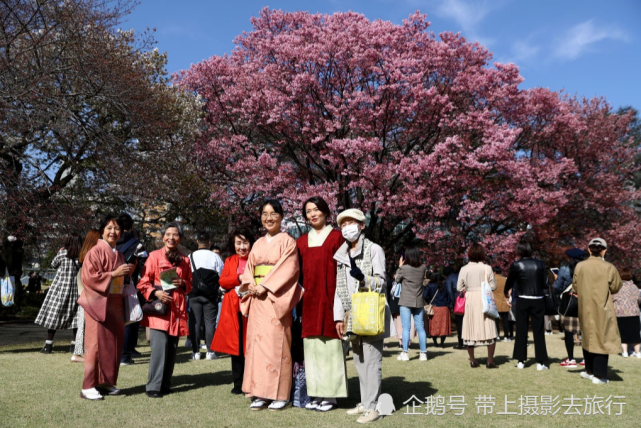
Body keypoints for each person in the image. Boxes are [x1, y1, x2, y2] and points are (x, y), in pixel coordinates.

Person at [238, 200, 302, 411]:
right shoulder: (257, 244)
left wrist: (265, 285)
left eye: (273, 213)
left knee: (278, 345)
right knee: (257, 346)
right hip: (257, 299)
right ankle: (260, 392)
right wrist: (253, 286)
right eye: (265, 214)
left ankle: (280, 394)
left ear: (282, 216)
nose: (269, 217)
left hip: (275, 299)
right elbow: (249, 269)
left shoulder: (288, 242)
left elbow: (289, 269)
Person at [334, 208, 388, 424]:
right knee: (358, 359)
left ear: (362, 225)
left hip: (370, 313)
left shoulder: (374, 249)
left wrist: (364, 279)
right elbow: (339, 289)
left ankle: (374, 407)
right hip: (351, 315)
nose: (347, 227)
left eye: (351, 222)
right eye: (343, 224)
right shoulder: (341, 254)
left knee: (372, 361)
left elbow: (381, 282)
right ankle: (366, 403)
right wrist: (339, 316)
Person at [296, 197, 347, 412]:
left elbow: (344, 272)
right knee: (313, 349)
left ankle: (331, 395)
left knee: (331, 347)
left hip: (331, 299)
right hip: (308, 301)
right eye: (308, 211)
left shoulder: (337, 237)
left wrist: (343, 306)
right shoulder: (300, 242)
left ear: (326, 212)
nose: (313, 214)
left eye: (317, 209)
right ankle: (316, 393)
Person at [78, 215, 134, 400]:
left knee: (113, 344)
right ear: (102, 230)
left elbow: (120, 279)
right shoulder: (95, 251)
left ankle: (105, 382)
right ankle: (88, 386)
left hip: (115, 304)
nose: (113, 232)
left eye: (117, 228)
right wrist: (114, 273)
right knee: (94, 345)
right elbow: (89, 278)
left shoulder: (120, 254)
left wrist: (126, 274)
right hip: (98, 303)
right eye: (109, 228)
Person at [137, 222, 192, 398]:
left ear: (180, 238)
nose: (171, 237)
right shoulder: (153, 257)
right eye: (168, 234)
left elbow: (190, 285)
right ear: (162, 238)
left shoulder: (185, 260)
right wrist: (156, 293)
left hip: (177, 311)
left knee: (172, 349)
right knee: (159, 349)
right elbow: (143, 283)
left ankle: (165, 384)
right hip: (160, 310)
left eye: (175, 234)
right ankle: (153, 387)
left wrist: (183, 283)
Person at [573, 238, 623, 384]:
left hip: (584, 308)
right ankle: (599, 376)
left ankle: (589, 370)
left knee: (587, 337)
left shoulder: (580, 266)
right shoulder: (609, 267)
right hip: (602, 308)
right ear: (604, 250)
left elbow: (575, 287)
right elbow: (616, 287)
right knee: (602, 340)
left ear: (589, 249)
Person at [212, 228, 254, 394]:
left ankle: (251, 382)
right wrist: (239, 278)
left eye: (245, 242)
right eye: (238, 243)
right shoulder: (230, 260)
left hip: (252, 306)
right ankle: (238, 383)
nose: (242, 247)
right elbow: (223, 281)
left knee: (250, 346)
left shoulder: (256, 259)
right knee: (236, 347)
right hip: (233, 307)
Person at [504, 239, 549, 370]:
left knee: (521, 330)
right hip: (538, 299)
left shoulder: (516, 265)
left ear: (519, 250)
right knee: (539, 331)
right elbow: (546, 284)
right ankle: (540, 362)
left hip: (522, 299)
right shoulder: (540, 264)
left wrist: (507, 295)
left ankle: (520, 361)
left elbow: (509, 283)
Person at [35, 233, 83, 354]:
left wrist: (60, 251)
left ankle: (48, 345)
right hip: (76, 290)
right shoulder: (82, 256)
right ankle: (74, 346)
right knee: (76, 318)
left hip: (60, 289)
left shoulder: (62, 253)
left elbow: (53, 264)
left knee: (54, 315)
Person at [457, 243, 498, 369]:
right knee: (489, 328)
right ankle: (490, 361)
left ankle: (473, 360)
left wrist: (468, 288)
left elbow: (459, 287)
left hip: (470, 299)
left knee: (470, 327)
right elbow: (494, 286)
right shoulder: (487, 268)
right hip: (484, 298)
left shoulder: (464, 269)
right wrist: (484, 287)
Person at [117, 214, 148, 366]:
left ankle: (111, 353)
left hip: (108, 285)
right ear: (131, 226)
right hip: (130, 285)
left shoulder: (108, 241)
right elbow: (145, 267)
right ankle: (125, 355)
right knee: (129, 319)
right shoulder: (136, 244)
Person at [188, 231, 224, 361]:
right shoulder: (215, 257)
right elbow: (222, 275)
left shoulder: (190, 256)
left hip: (194, 294)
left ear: (197, 242)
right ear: (209, 242)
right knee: (210, 322)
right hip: (210, 295)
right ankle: (210, 351)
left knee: (195, 322)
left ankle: (195, 351)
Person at [553, 248, 586, 368]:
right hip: (585, 303)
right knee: (585, 332)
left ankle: (571, 359)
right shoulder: (586, 269)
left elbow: (557, 287)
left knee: (568, 331)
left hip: (569, 303)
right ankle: (585, 358)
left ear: (569, 258)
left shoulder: (564, 269)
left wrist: (557, 278)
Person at [72, 229, 100, 363]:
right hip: (88, 291)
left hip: (83, 290)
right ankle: (77, 353)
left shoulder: (85, 253)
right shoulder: (93, 254)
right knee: (84, 323)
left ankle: (78, 352)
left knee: (83, 322)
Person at [394, 247, 427, 361]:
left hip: (405, 300)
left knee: (406, 328)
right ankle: (423, 353)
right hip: (418, 300)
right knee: (420, 327)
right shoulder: (423, 268)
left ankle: (405, 352)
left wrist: (399, 266)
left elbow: (396, 279)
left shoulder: (404, 268)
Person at [612, 268, 640, 358]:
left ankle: (624, 352)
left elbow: (612, 298)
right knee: (635, 333)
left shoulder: (617, 287)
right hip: (633, 312)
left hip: (620, 312)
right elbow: (639, 299)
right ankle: (638, 352)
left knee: (622, 333)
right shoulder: (634, 287)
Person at [424, 272, 452, 349]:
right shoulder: (445, 285)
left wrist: (429, 301)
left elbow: (425, 295)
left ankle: (435, 343)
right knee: (443, 326)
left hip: (434, 308)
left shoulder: (430, 286)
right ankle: (442, 343)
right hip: (444, 308)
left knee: (434, 326)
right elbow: (449, 296)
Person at [492, 267, 512, 341]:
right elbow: (510, 289)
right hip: (504, 302)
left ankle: (497, 335)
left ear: (494, 272)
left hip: (495, 302)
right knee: (505, 320)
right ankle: (506, 336)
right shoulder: (505, 279)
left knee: (495, 320)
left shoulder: (492, 280)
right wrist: (508, 297)